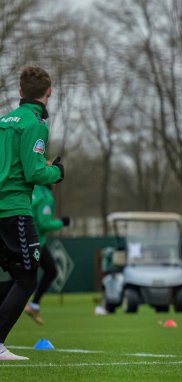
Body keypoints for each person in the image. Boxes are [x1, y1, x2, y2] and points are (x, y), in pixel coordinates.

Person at [0, 66, 64, 360]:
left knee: (15, 276)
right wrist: (57, 172)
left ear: (21, 92)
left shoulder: (4, 121)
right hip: (15, 210)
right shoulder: (35, 124)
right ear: (48, 92)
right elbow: (34, 171)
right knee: (27, 279)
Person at [23, 183, 70, 324]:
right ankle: (31, 304)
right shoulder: (45, 197)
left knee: (36, 273)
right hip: (35, 241)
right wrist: (61, 223)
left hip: (23, 237)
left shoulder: (34, 189)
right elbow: (44, 223)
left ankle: (33, 305)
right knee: (45, 273)